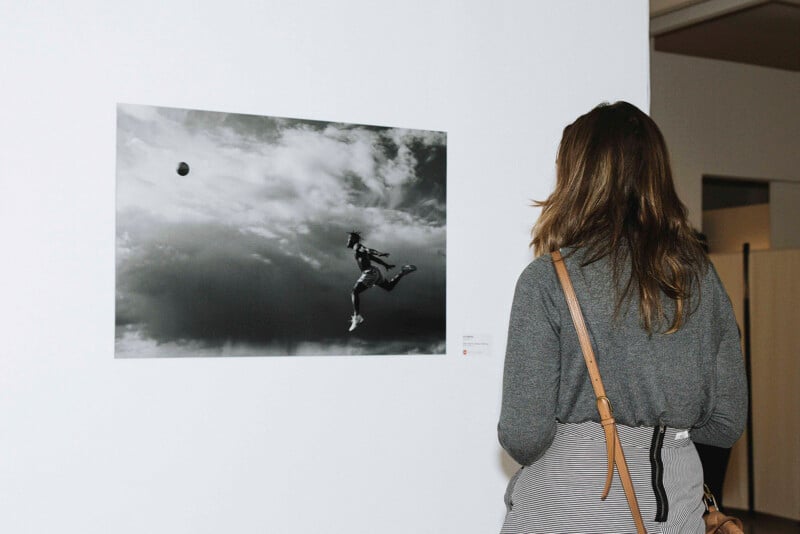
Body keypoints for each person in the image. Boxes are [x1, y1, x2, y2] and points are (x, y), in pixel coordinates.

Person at [498, 102, 747, 533]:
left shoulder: (548, 279)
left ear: (578, 178)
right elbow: (725, 425)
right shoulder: (702, 280)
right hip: (674, 512)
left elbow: (524, 435)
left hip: (569, 511)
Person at [346, 231, 417, 332]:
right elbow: (373, 258)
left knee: (354, 292)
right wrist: (385, 265)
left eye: (349, 239)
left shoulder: (356, 246)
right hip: (375, 272)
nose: (347, 241)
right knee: (389, 287)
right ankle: (402, 272)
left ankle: (357, 317)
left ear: (353, 240)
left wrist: (379, 253)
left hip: (369, 273)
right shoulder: (359, 251)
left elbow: (368, 250)